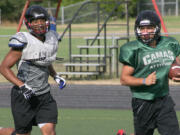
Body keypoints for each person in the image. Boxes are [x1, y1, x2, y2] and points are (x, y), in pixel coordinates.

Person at [0, 5, 66, 135]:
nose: (39, 24)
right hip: (24, 96)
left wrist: (55, 76)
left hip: (44, 95)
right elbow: (3, 68)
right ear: (29, 23)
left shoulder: (51, 38)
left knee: (50, 132)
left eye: (42, 20)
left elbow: (44, 60)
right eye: (35, 21)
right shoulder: (23, 42)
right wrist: (22, 86)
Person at [119, 10, 180, 135]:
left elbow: (175, 63)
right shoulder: (134, 49)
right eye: (142, 28)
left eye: (150, 28)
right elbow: (124, 79)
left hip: (164, 101)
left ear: (157, 28)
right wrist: (144, 81)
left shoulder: (169, 44)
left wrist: (177, 71)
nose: (145, 32)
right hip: (143, 102)